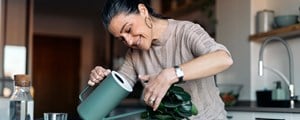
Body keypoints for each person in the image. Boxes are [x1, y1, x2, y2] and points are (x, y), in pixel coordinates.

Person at [88, 0, 233, 119]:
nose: (129, 41)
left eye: (128, 29)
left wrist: (171, 74)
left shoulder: (186, 32)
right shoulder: (134, 54)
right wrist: (105, 80)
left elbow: (223, 58)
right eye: (121, 39)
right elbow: (120, 84)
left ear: (143, 11)